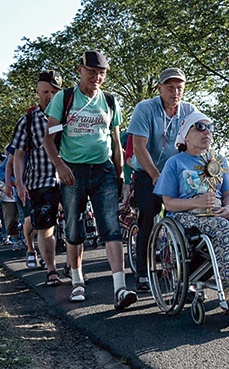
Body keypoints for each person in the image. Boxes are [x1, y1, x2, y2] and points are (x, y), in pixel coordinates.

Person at [43, 50, 137, 310]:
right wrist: (60, 166)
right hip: (73, 171)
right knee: (74, 229)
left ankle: (120, 288)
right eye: (92, 71)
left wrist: (119, 174)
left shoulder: (109, 101)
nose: (97, 77)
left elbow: (116, 141)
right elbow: (48, 139)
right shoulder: (64, 98)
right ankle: (77, 281)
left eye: (102, 73)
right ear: (80, 70)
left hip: (104, 170)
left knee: (111, 228)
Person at [154, 112, 229, 304]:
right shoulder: (174, 163)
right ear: (186, 135)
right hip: (187, 214)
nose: (206, 131)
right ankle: (227, 287)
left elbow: (228, 194)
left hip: (217, 210)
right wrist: (195, 203)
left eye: (210, 127)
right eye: (199, 127)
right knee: (222, 227)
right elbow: (168, 203)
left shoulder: (219, 160)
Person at [128, 67, 198, 293]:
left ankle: (181, 271)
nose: (175, 92)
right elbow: (139, 146)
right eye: (170, 88)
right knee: (147, 218)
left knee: (182, 220)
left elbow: (196, 144)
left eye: (179, 88)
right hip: (148, 172)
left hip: (177, 173)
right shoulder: (145, 109)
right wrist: (156, 176)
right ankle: (142, 273)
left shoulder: (189, 111)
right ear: (159, 89)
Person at [12, 70, 64, 286]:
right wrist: (19, 183)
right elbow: (19, 154)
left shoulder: (68, 115)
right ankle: (51, 269)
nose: (49, 96)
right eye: (45, 91)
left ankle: (74, 266)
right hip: (41, 180)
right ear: (37, 91)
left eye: (54, 91)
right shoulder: (28, 120)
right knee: (45, 227)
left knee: (74, 226)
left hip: (69, 178)